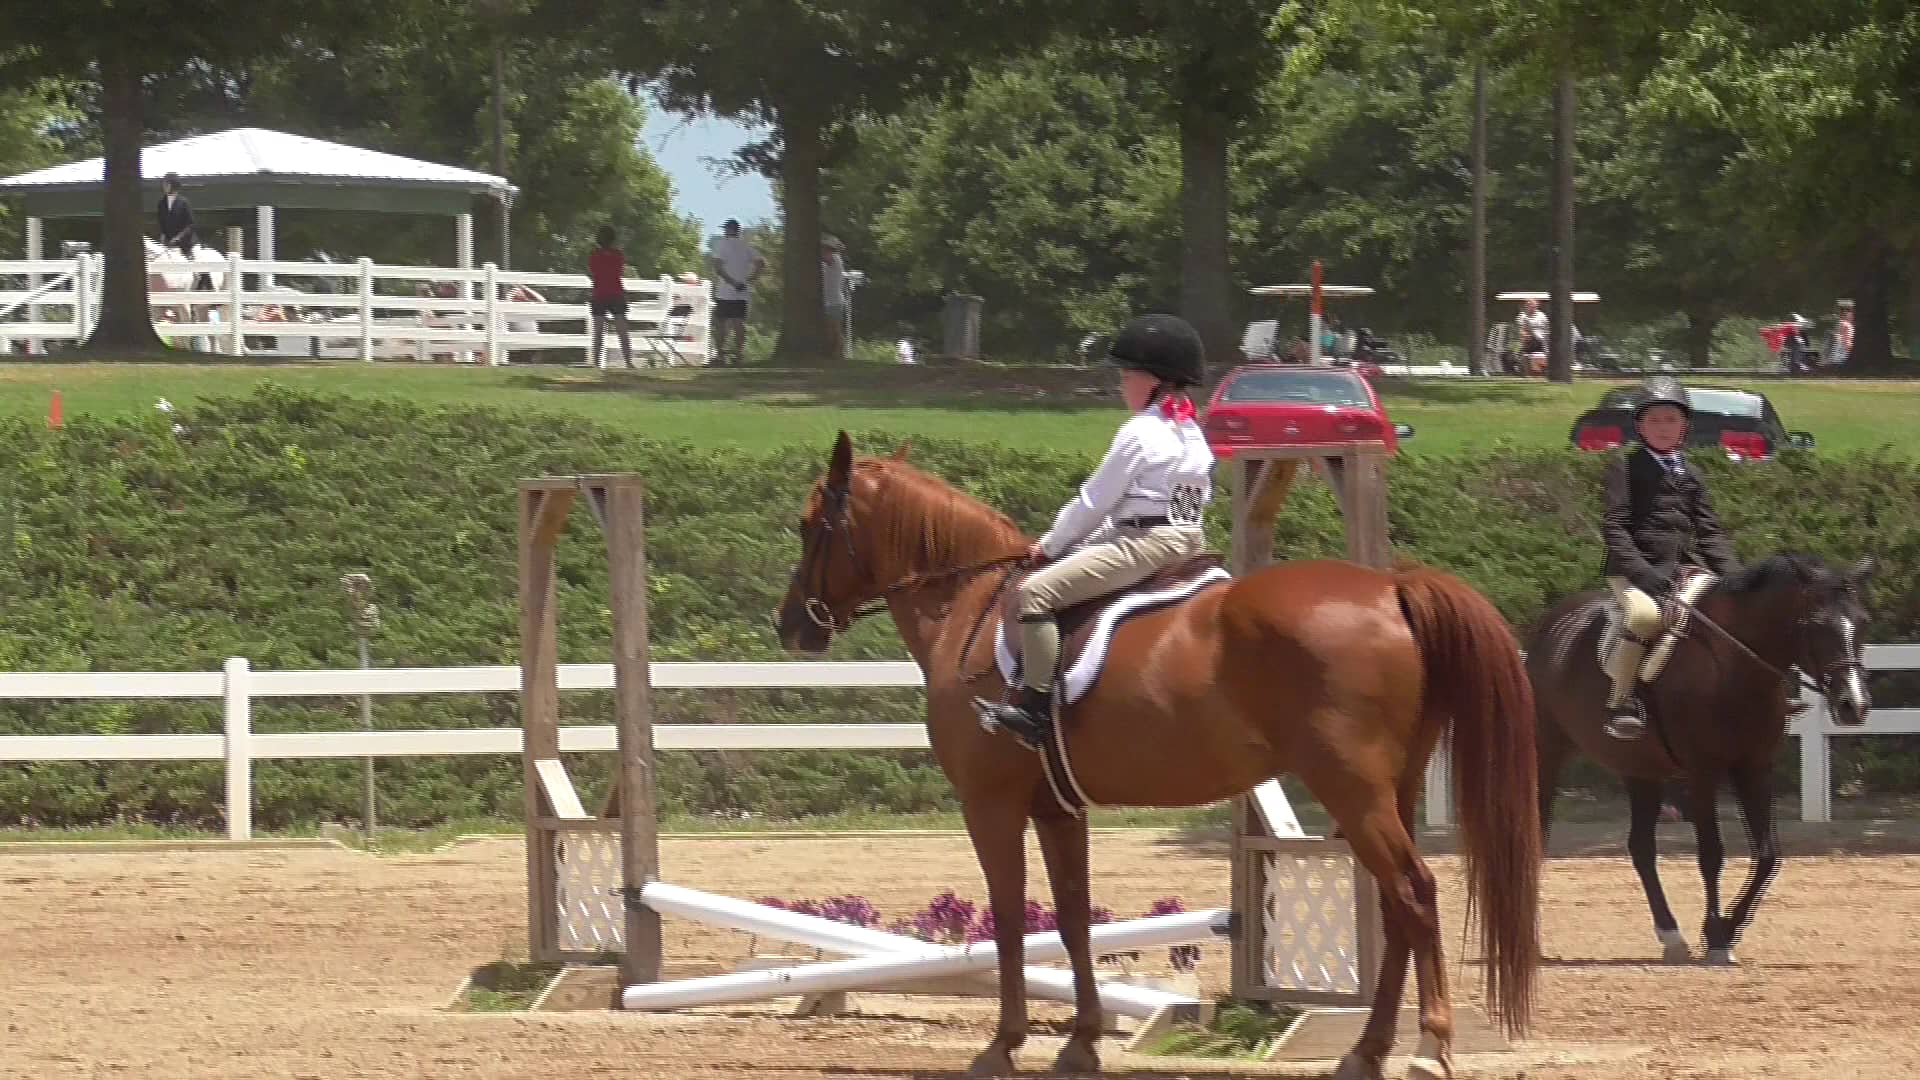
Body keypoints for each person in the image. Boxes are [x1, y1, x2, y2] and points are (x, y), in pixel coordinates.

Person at [974, 314, 1216, 750]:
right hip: (1187, 536)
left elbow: (1093, 502)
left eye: (1127, 374)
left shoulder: (1141, 432)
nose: (1123, 384)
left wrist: (1049, 547)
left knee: (1035, 594)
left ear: (1153, 380)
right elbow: (1179, 505)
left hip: (1146, 544)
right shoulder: (1191, 432)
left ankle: (1035, 711)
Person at [1599, 376, 1741, 740]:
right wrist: (1643, 573)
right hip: (1633, 570)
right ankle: (1621, 702)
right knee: (1645, 617)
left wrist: (1737, 580)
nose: (1663, 428)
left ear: (1685, 426)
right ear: (1640, 426)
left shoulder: (1692, 473)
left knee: (1733, 615)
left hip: (1681, 569)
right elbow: (1615, 528)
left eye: (1671, 420)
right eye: (1655, 421)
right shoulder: (1624, 468)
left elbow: (1709, 533)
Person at [708, 219, 764, 366]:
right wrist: (750, 279)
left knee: (720, 323)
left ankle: (720, 355)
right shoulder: (746, 246)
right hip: (742, 291)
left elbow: (718, 267)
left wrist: (731, 282)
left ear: (728, 230)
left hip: (725, 292)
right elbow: (760, 263)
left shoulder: (722, 245)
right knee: (739, 323)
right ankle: (738, 354)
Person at [587, 225, 635, 369]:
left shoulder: (594, 255)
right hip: (616, 293)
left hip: (599, 293)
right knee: (622, 331)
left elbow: (592, 272)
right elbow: (619, 272)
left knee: (598, 332)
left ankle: (596, 363)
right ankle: (628, 362)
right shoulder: (618, 255)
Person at [821, 235, 849, 361]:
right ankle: (833, 353)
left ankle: (839, 353)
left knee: (835, 329)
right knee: (829, 329)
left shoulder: (834, 259)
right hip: (828, 300)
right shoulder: (828, 260)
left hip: (835, 301)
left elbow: (827, 258)